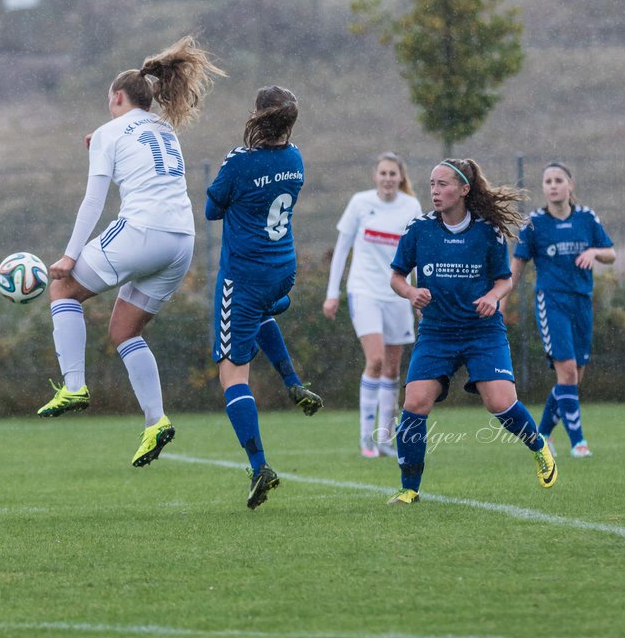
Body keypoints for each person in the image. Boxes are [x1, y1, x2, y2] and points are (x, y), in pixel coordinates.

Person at [38, 35, 225, 467]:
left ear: (117, 96)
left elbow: (93, 201)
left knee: (63, 291)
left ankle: (74, 386)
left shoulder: (110, 132)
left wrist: (68, 257)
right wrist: (101, 141)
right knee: (125, 331)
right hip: (180, 241)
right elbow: (141, 165)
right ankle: (156, 421)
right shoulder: (164, 128)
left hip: (141, 232)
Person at [385, 158, 558, 504]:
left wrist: (493, 298)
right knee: (415, 403)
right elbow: (397, 277)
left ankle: (539, 446)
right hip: (436, 333)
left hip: (482, 333)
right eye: (432, 184)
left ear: (464, 190)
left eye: (443, 184)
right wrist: (410, 292)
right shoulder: (418, 229)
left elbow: (504, 281)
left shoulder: (487, 232)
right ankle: (409, 489)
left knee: (500, 402)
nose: (435, 191)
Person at [206, 86, 322, 509]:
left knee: (232, 375)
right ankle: (293, 382)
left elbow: (211, 209)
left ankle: (259, 466)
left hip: (244, 276)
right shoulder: (296, 158)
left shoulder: (239, 161)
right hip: (282, 271)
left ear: (257, 114)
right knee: (261, 314)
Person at [510, 161, 615, 458]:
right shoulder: (534, 223)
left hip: (582, 301)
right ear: (543, 188)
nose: (553, 185)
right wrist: (501, 301)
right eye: (547, 181)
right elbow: (516, 266)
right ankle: (579, 442)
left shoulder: (586, 218)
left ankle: (542, 435)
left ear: (571, 185)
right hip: (551, 301)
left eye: (558, 180)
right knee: (567, 372)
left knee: (573, 378)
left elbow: (611, 253)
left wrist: (594, 251)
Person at [323, 151, 423, 458]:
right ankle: (366, 437)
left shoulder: (411, 207)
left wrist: (417, 294)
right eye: (383, 173)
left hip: (397, 293)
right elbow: (342, 249)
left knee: (392, 368)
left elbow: (417, 255)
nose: (388, 179)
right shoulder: (360, 204)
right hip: (363, 290)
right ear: (375, 176)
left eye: (393, 174)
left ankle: (384, 439)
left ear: (401, 177)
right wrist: (332, 292)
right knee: (376, 360)